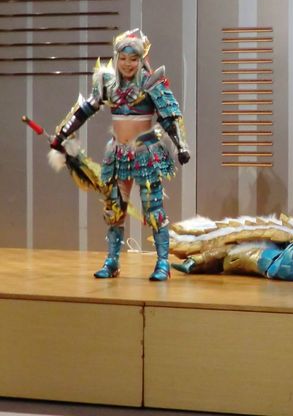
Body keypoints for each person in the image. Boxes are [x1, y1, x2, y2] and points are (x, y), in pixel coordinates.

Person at [50, 28, 190, 281]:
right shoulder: (108, 83)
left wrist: (181, 145)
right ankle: (112, 261)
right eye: (123, 58)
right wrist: (63, 134)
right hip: (118, 153)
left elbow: (169, 115)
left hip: (146, 151)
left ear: (140, 59)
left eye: (133, 59)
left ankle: (162, 263)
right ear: (117, 58)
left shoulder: (150, 83)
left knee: (153, 209)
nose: (127, 64)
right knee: (115, 209)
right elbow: (86, 109)